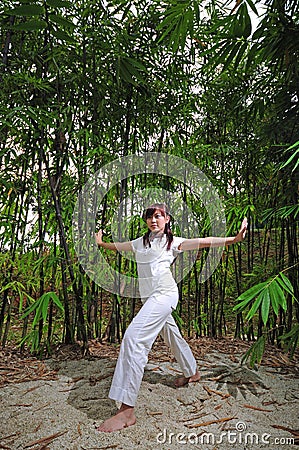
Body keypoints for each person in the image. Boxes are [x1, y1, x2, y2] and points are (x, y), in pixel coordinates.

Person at [94, 203, 247, 432]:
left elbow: (204, 241)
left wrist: (233, 240)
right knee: (172, 335)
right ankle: (192, 372)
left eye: (158, 216)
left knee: (134, 339)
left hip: (164, 296)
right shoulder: (140, 243)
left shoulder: (173, 243)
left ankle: (126, 412)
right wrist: (100, 243)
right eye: (149, 217)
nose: (153, 220)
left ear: (167, 220)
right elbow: (117, 247)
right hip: (150, 300)